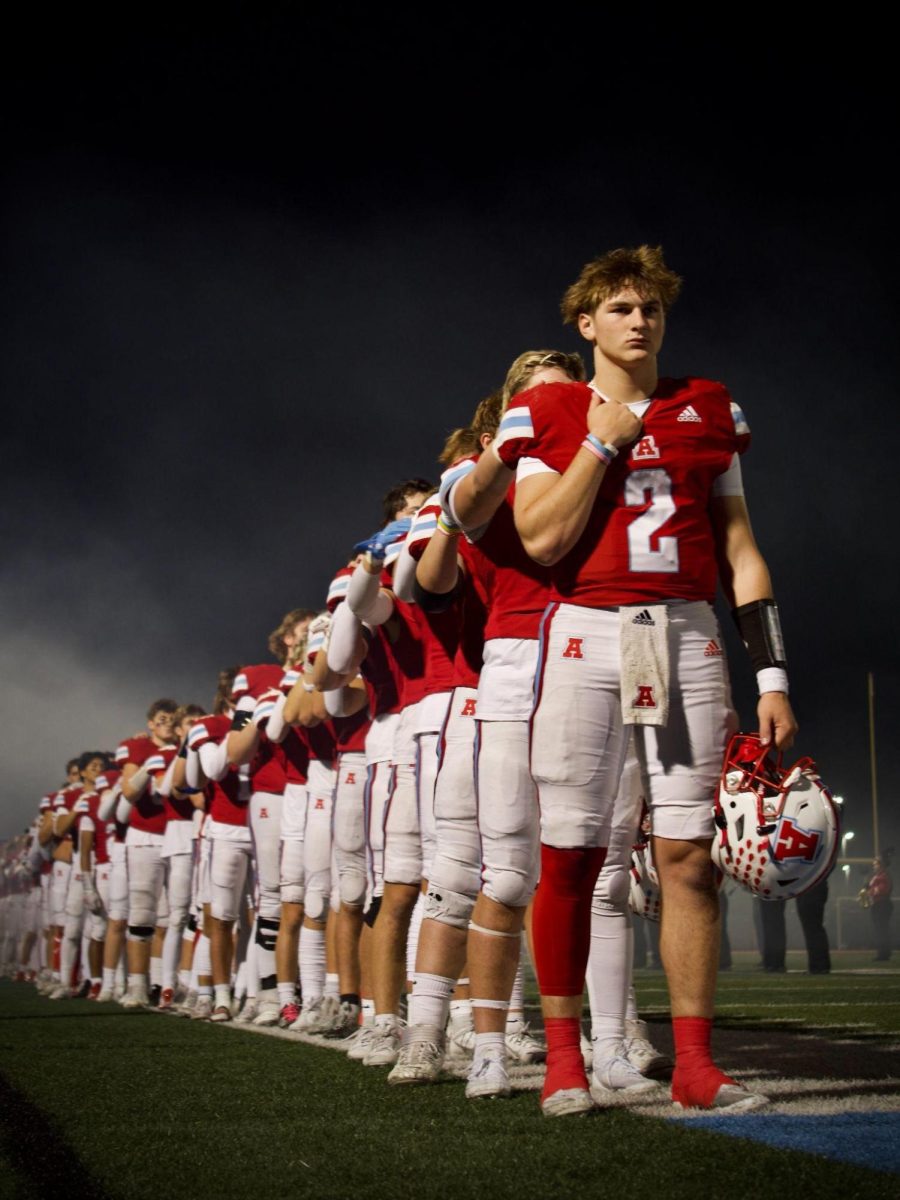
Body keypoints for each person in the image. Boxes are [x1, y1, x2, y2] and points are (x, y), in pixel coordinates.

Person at [494, 244, 798, 1115]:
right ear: (585, 324)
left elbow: (741, 551)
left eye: (651, 308)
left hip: (689, 636)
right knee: (572, 857)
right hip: (588, 633)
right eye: (620, 309)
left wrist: (771, 672)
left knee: (688, 859)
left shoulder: (710, 408)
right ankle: (563, 1060)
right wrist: (599, 440)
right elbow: (543, 540)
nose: (639, 321)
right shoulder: (546, 408)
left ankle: (696, 1064)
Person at [866, 852, 893, 962]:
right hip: (878, 904)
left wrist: (869, 892)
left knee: (881, 929)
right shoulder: (877, 876)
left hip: (882, 904)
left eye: (876, 864)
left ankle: (883, 954)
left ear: (881, 865)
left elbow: (881, 890)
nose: (874, 865)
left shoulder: (884, 876)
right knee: (880, 929)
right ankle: (884, 952)